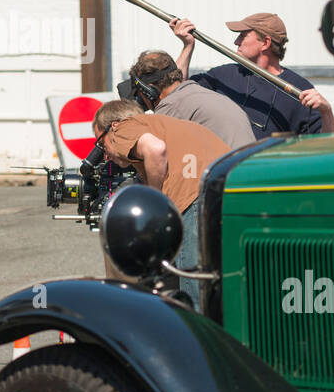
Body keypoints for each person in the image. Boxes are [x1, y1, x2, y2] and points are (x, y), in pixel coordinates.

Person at [92, 99, 231, 304]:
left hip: (194, 194)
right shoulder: (164, 124)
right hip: (227, 188)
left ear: (113, 127)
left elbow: (156, 149)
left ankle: (195, 332)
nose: (105, 156)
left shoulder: (124, 128)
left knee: (193, 278)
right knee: (217, 275)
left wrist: (153, 200)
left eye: (101, 143)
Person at [168, 12, 334, 139]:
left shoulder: (300, 89)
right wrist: (187, 46)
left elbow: (330, 147)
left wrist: (327, 112)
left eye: (243, 36)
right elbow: (176, 92)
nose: (236, 42)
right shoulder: (224, 75)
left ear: (265, 42)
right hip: (221, 174)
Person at [122, 50, 257, 149]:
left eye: (140, 95)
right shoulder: (203, 95)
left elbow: (157, 154)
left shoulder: (172, 107)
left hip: (226, 180)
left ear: (149, 91)